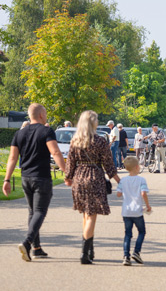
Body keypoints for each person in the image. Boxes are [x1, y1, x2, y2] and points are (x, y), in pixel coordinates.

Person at [2, 103, 66, 262]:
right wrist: (66, 171)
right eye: (45, 113)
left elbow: (12, 158)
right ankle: (27, 242)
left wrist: (7, 179)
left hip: (25, 178)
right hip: (41, 177)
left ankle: (36, 248)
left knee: (32, 211)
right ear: (41, 115)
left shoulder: (19, 133)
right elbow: (55, 151)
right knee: (40, 211)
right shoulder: (46, 131)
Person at [65, 111, 120, 264]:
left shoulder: (75, 140)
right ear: (93, 123)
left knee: (85, 214)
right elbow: (109, 165)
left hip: (79, 178)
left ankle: (90, 250)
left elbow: (70, 163)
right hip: (95, 177)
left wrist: (68, 177)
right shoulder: (100, 141)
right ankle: (84, 253)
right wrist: (119, 180)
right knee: (91, 216)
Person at [116, 156, 151, 266]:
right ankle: (136, 252)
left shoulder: (123, 180)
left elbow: (118, 194)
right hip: (137, 211)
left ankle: (126, 256)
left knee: (128, 234)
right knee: (141, 232)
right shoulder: (141, 180)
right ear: (137, 167)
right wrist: (148, 205)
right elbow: (143, 193)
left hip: (126, 211)